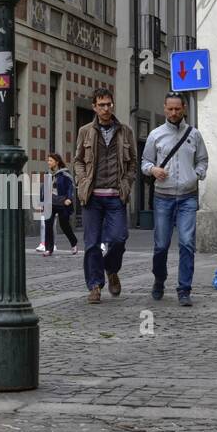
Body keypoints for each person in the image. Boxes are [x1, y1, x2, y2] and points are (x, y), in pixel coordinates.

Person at [142, 92, 208, 306]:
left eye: (177, 109)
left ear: (184, 109)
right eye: (170, 109)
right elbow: (144, 163)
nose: (173, 113)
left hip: (188, 197)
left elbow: (202, 160)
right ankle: (159, 279)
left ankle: (184, 289)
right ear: (164, 109)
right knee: (161, 245)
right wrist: (153, 170)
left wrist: (196, 174)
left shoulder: (194, 134)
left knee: (187, 243)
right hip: (163, 197)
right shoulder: (155, 135)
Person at [72, 88, 137, 303]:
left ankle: (111, 269)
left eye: (108, 104)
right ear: (94, 107)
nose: (106, 108)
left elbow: (133, 163)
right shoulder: (85, 131)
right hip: (92, 196)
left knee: (119, 238)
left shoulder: (125, 131)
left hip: (116, 196)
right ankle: (94, 286)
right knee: (92, 244)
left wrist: (126, 183)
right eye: (101, 105)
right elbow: (78, 160)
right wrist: (82, 181)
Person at [37, 152, 78, 256]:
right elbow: (44, 189)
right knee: (48, 225)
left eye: (50, 160)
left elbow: (70, 187)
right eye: (48, 160)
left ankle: (74, 243)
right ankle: (48, 249)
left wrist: (69, 198)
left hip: (62, 202)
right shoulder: (48, 174)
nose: (48, 162)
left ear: (57, 162)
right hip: (49, 203)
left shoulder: (65, 174)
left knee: (64, 225)